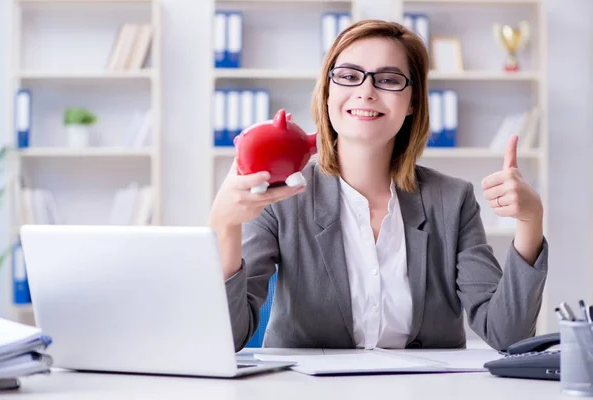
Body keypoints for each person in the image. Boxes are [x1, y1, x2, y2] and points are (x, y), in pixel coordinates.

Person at [209, 19, 548, 352]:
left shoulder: (452, 200)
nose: (366, 91)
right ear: (328, 93)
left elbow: (508, 337)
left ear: (412, 102)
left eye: (388, 79)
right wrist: (225, 226)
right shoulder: (281, 196)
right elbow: (227, 338)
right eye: (348, 76)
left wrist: (529, 223)